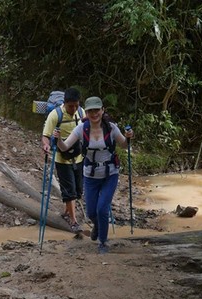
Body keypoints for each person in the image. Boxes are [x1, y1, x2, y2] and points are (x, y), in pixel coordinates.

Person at [56, 96, 134, 253]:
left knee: (102, 209)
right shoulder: (81, 129)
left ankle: (103, 242)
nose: (94, 113)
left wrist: (128, 137)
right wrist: (57, 140)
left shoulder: (111, 128)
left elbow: (124, 145)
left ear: (102, 110)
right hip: (90, 176)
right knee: (91, 211)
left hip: (110, 174)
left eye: (96, 110)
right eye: (90, 110)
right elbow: (64, 147)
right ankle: (98, 226)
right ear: (87, 112)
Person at [41, 88, 85, 233]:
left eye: (76, 105)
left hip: (78, 157)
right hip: (61, 158)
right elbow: (45, 135)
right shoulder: (55, 115)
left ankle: (67, 212)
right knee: (69, 190)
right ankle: (73, 221)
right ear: (64, 104)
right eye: (70, 106)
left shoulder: (81, 113)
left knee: (78, 190)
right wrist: (46, 145)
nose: (73, 109)